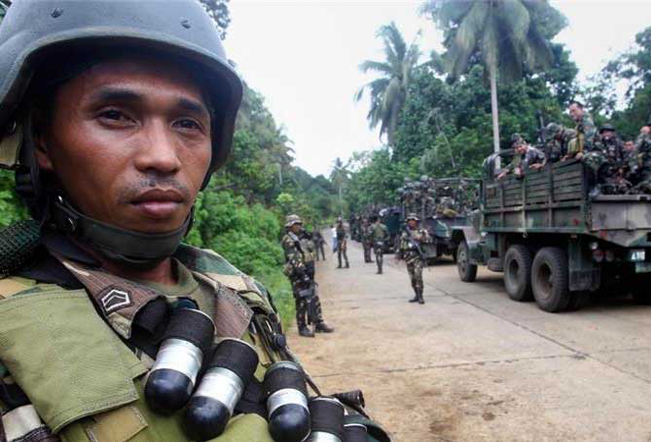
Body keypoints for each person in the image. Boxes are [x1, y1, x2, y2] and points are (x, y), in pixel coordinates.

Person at [0, 1, 387, 441]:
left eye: (187, 123)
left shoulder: (235, 288)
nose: (163, 157)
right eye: (115, 115)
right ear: (42, 141)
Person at [281, 215, 334, 337]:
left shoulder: (301, 237)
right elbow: (294, 259)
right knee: (301, 300)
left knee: (314, 297)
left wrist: (308, 236)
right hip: (297, 274)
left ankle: (318, 322)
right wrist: (302, 274)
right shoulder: (288, 240)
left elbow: (310, 249)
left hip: (308, 271)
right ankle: (302, 327)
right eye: (296, 224)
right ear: (290, 226)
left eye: (299, 224)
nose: (298, 226)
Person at [396, 214, 432, 304]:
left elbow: (428, 239)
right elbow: (401, 244)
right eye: (409, 220)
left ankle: (420, 296)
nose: (411, 222)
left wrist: (420, 237)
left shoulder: (421, 231)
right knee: (412, 278)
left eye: (413, 220)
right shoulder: (404, 232)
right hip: (408, 257)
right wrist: (398, 256)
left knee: (418, 276)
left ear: (416, 221)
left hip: (417, 257)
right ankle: (416, 294)